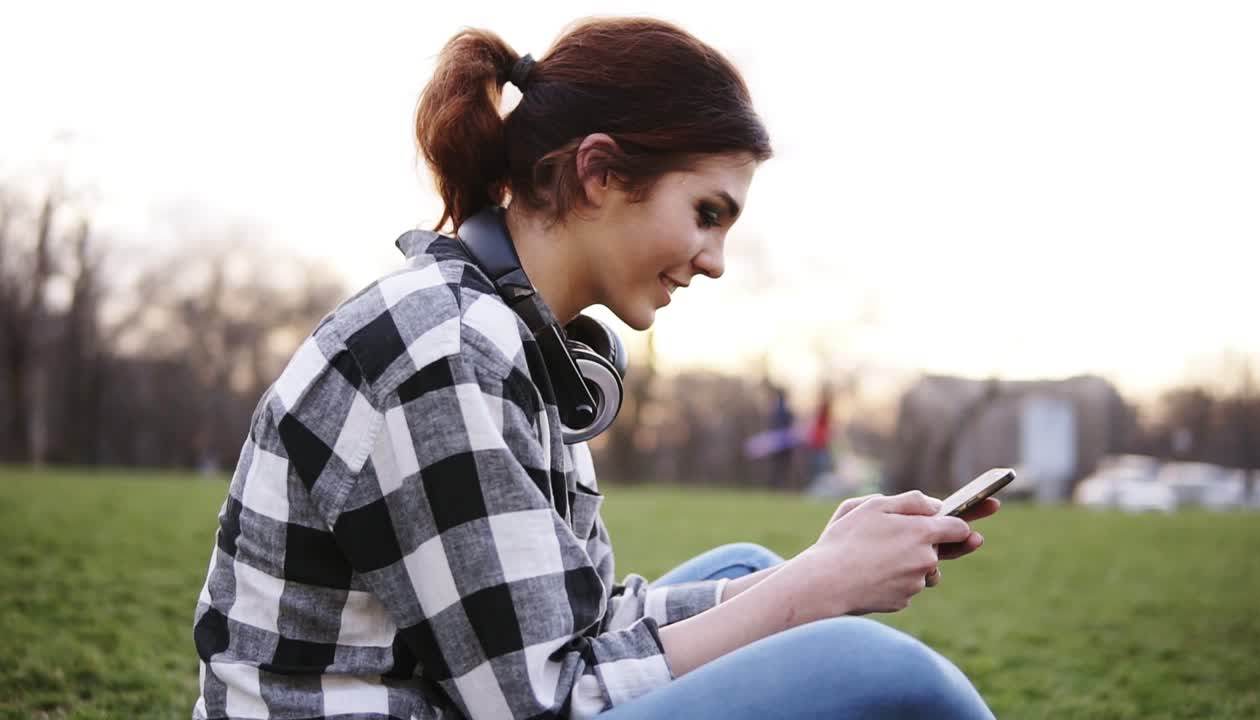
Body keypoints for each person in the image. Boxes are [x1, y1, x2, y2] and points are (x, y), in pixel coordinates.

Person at [191, 16, 1000, 720]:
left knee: (750, 572)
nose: (715, 261)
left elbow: (573, 620)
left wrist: (812, 573)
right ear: (600, 172)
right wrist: (816, 590)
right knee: (883, 676)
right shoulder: (444, 352)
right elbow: (542, 699)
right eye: (706, 213)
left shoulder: (517, 336)